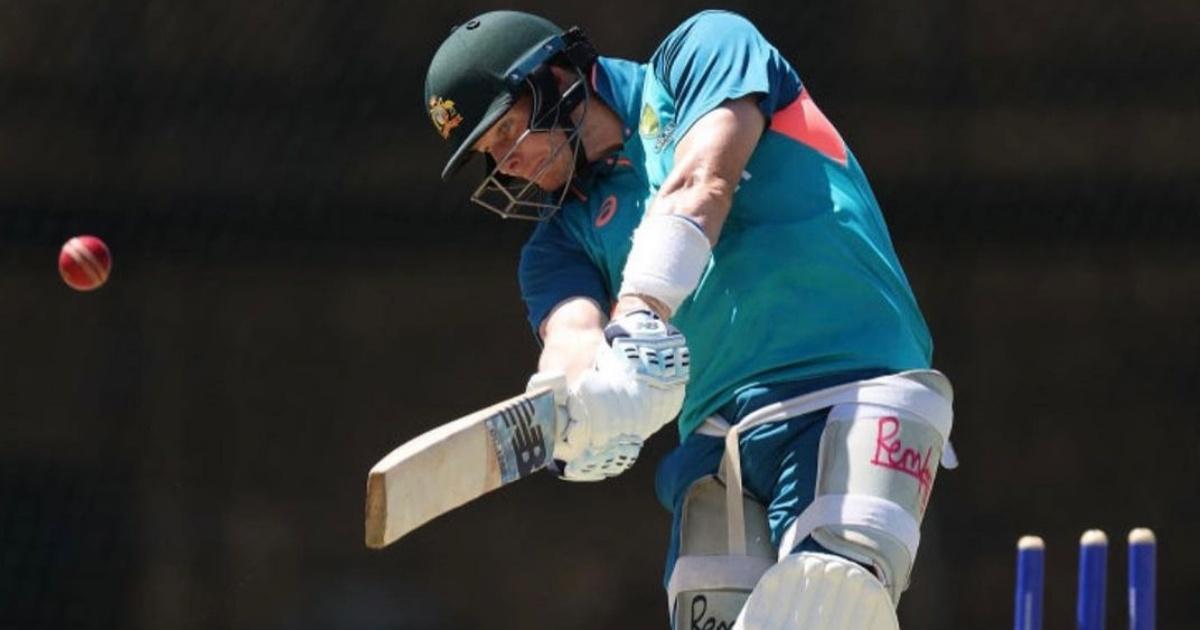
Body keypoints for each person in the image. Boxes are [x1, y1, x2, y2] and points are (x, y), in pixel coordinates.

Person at [423, 10, 956, 629]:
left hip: (850, 385)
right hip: (717, 442)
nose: (505, 164)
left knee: (829, 602)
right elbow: (571, 337)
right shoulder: (556, 245)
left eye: (506, 131)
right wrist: (574, 406)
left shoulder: (703, 53)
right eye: (487, 153)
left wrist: (639, 313)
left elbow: (704, 182)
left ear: (556, 81)